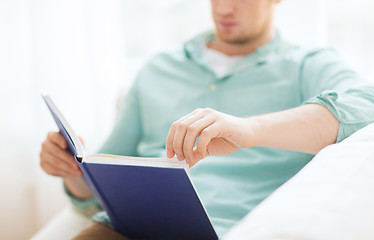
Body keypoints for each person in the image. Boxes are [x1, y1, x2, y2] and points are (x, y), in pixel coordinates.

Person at [40, 0, 374, 239]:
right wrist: (71, 170)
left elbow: (366, 107)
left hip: (236, 228)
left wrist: (250, 128)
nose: (224, 9)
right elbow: (100, 182)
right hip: (127, 227)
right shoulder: (157, 69)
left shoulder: (308, 64)